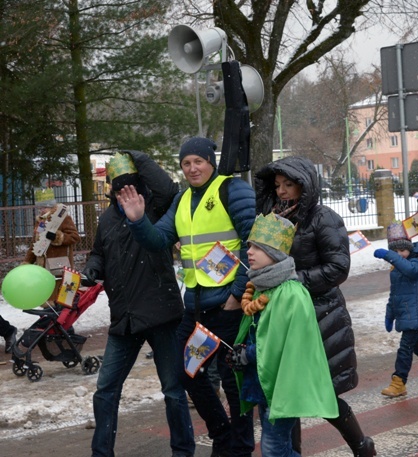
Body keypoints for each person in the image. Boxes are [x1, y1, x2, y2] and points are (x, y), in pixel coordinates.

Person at [118, 137, 256, 457]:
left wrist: (237, 293)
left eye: (198, 161)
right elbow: (159, 239)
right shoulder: (181, 200)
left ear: (211, 161)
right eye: (186, 163)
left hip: (228, 309)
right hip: (196, 311)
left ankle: (240, 449)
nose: (192, 168)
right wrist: (139, 221)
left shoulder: (232, 190)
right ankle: (222, 433)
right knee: (185, 371)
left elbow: (254, 243)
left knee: (234, 383)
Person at [255, 156, 376, 456]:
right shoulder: (272, 217)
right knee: (287, 390)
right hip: (284, 313)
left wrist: (293, 280)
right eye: (278, 185)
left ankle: (361, 445)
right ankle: (292, 451)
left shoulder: (324, 219)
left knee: (324, 391)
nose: (282, 191)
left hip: (321, 314)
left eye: (289, 185)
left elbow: (338, 268)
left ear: (304, 185)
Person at [82, 150, 195, 457]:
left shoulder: (156, 208)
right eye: (118, 189)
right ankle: (101, 453)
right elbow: (99, 253)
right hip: (125, 319)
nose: (124, 194)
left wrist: (138, 157)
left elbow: (171, 190)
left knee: (173, 391)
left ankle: (183, 451)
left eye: (130, 186)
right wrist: (93, 269)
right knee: (106, 390)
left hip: (162, 315)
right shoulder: (107, 219)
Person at [228, 213, 338, 456]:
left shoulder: (290, 293)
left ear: (276, 254)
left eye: (258, 247)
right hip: (267, 382)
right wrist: (241, 350)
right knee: (277, 446)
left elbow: (282, 343)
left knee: (273, 448)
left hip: (283, 384)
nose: (249, 252)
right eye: (249, 246)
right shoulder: (261, 286)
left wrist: (248, 354)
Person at [373, 221, 418, 398]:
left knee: (405, 347)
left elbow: (411, 271)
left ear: (409, 249)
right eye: (395, 251)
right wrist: (389, 314)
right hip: (403, 313)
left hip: (414, 312)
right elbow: (394, 294)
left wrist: (390, 256)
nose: (399, 255)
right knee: (415, 345)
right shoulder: (396, 268)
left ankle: (399, 382)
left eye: (402, 251)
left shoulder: (416, 262)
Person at [24, 188, 81, 306]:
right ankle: (50, 321)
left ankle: (62, 322)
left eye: (44, 207)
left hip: (59, 267)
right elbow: (35, 244)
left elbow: (75, 237)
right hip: (43, 268)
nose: (41, 210)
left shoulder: (62, 218)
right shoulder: (40, 222)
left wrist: (57, 237)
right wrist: (27, 261)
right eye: (39, 207)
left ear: (51, 207)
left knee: (60, 299)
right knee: (46, 300)